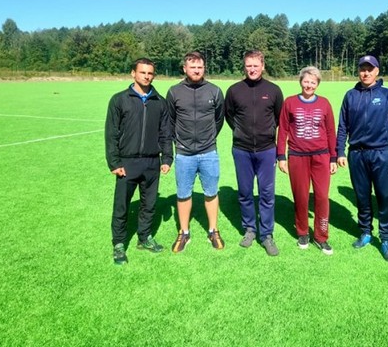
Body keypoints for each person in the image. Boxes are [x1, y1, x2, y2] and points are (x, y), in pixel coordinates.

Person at [336, 55, 388, 262]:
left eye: (370, 69)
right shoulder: (350, 95)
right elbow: (342, 126)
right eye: (362, 69)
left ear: (377, 71)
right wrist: (340, 151)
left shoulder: (387, 94)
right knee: (362, 196)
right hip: (357, 154)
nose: (365, 73)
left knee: (385, 197)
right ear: (358, 71)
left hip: (382, 154)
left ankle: (386, 238)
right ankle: (365, 231)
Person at [105, 58, 173, 265]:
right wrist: (114, 162)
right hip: (127, 163)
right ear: (133, 73)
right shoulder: (119, 100)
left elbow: (165, 133)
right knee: (122, 206)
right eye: (142, 72)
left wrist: (167, 158)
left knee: (149, 204)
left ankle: (144, 238)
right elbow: (111, 133)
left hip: (152, 162)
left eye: (150, 73)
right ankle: (119, 244)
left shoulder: (160, 102)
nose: (146, 76)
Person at [224, 50, 284, 256]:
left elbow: (279, 117)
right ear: (244, 67)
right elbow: (229, 116)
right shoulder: (234, 90)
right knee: (245, 192)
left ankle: (266, 234)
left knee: (267, 194)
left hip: (267, 150)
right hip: (242, 150)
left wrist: (266, 133)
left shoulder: (274, 90)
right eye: (248, 65)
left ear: (263, 66)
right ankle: (250, 229)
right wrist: (241, 133)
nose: (252, 69)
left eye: (255, 65)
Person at [166, 51, 225, 253]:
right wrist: (179, 142)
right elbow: (170, 120)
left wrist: (208, 138)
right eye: (192, 67)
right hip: (184, 154)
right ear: (185, 68)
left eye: (200, 67)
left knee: (211, 192)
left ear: (204, 68)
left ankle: (213, 230)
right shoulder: (174, 92)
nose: (197, 70)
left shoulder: (214, 91)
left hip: (209, 152)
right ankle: (184, 232)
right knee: (183, 194)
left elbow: (219, 119)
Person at [277, 66, 338, 255]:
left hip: (321, 156)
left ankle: (321, 236)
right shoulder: (290, 102)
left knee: (322, 197)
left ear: (317, 84)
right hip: (297, 156)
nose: (309, 85)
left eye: (313, 82)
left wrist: (333, 157)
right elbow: (283, 130)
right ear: (300, 82)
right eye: (306, 81)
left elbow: (330, 131)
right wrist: (281, 156)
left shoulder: (325, 103)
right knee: (301, 197)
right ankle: (302, 232)